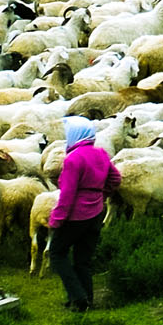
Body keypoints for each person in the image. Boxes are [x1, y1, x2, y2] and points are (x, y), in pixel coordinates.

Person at [48, 118, 119, 312]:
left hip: (76, 216)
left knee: (57, 253)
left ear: (74, 135)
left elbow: (68, 194)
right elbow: (115, 178)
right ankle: (87, 299)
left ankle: (78, 297)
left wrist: (56, 219)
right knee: (83, 260)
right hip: (96, 213)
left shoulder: (73, 159)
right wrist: (100, 194)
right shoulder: (101, 154)